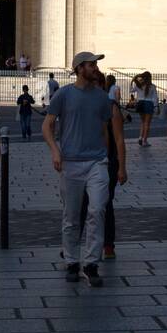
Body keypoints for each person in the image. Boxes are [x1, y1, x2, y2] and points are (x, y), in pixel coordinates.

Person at [43, 52, 121, 288]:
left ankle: (91, 263)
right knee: (71, 216)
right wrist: (55, 151)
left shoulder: (101, 98)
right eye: (91, 64)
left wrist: (109, 158)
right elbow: (47, 125)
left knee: (97, 210)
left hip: (97, 162)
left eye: (96, 64)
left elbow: (106, 130)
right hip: (71, 162)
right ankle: (71, 261)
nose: (95, 68)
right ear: (79, 68)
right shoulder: (64, 94)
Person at [81, 72, 127, 260]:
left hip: (107, 162)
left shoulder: (111, 107)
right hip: (84, 161)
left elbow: (119, 140)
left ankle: (107, 245)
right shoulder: (83, 105)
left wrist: (122, 168)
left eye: (96, 83)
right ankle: (75, 244)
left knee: (103, 204)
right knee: (82, 205)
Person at [132, 71, 158, 146]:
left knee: (143, 122)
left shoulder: (139, 85)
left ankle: (140, 137)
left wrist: (134, 81)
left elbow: (131, 90)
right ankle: (144, 140)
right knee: (147, 123)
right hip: (149, 104)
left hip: (140, 103)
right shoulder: (152, 86)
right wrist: (156, 106)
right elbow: (155, 97)